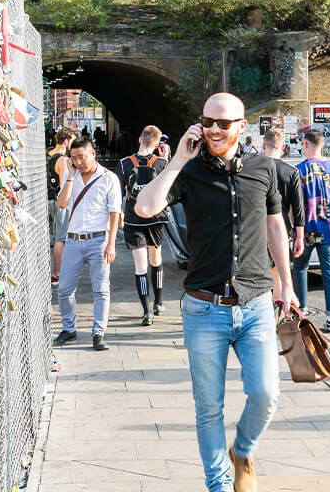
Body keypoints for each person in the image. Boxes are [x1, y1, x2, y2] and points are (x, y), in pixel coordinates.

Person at [133, 93, 295, 492]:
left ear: (243, 126)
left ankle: (242, 449)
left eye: (225, 123)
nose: (216, 130)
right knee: (208, 408)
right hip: (204, 308)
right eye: (209, 121)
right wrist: (176, 161)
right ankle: (219, 485)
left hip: (256, 304)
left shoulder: (264, 169)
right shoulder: (186, 171)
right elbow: (144, 207)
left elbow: (276, 228)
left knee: (266, 394)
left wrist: (287, 285)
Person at [54, 137, 121, 351]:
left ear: (93, 153)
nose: (78, 162)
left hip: (98, 239)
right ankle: (69, 328)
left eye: (82, 157)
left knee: (101, 289)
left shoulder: (108, 178)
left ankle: (98, 333)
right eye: (74, 158)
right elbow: (62, 203)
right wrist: (71, 178)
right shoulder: (70, 176)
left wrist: (111, 243)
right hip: (74, 239)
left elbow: (114, 212)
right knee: (64, 288)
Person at [293, 130, 330, 332]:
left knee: (300, 268)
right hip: (328, 227)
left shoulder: (299, 170)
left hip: (306, 228)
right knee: (329, 271)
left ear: (306, 145)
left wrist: (294, 229)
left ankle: (301, 311)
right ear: (323, 145)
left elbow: (294, 204)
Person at [116, 126, 169, 326]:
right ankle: (159, 302)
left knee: (140, 266)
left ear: (140, 139)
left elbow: (118, 193)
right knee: (156, 259)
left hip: (133, 218)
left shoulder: (124, 164)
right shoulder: (162, 163)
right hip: (156, 219)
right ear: (157, 144)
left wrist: (119, 213)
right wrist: (167, 158)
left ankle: (146, 312)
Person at [264, 128, 306, 312]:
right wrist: (299, 237)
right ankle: (276, 311)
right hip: (282, 229)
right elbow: (298, 209)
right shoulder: (291, 172)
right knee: (278, 273)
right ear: (282, 147)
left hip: (255, 227)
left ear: (263, 145)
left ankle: (263, 308)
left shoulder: (253, 169)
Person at [46, 127, 77, 284]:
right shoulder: (63, 160)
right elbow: (65, 183)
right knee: (60, 238)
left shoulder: (47, 154)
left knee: (51, 235)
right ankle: (57, 274)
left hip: (46, 200)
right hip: (59, 202)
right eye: (72, 140)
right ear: (66, 141)